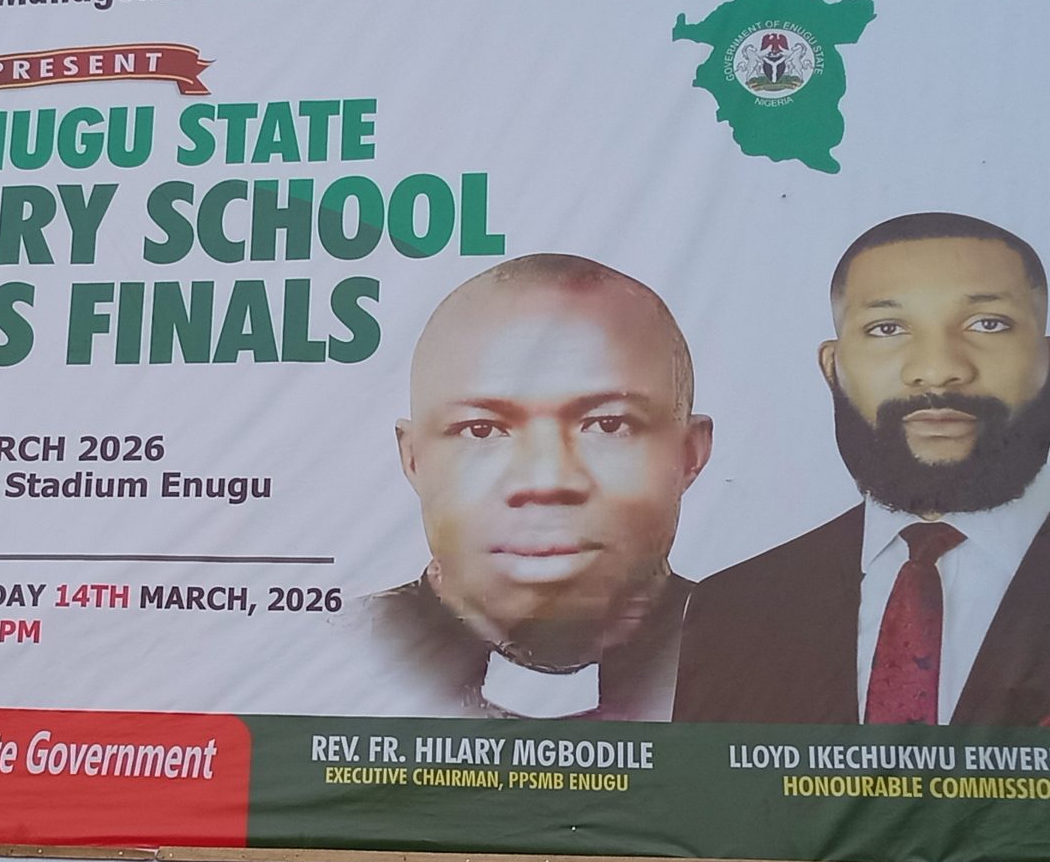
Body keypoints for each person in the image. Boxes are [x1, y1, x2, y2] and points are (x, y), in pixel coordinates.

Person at [675, 213, 1050, 725]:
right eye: (887, 328)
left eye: (988, 324)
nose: (938, 369)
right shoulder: (734, 609)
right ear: (832, 367)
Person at [358, 254, 713, 718]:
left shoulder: (774, 657)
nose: (546, 481)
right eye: (481, 430)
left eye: (608, 425)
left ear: (690, 453)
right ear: (413, 459)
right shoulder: (323, 654)